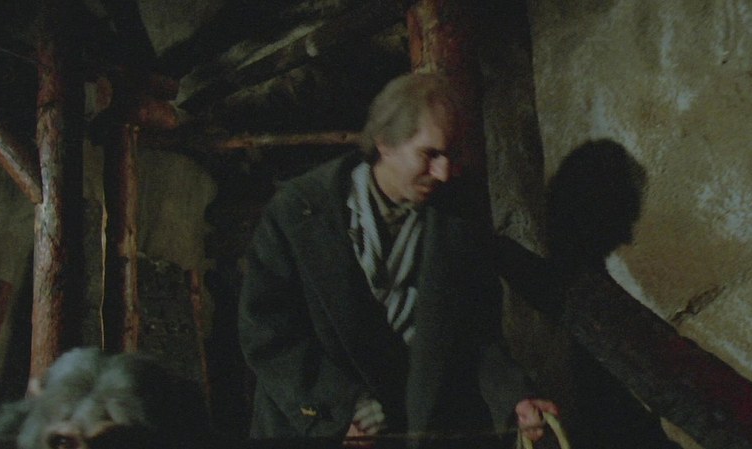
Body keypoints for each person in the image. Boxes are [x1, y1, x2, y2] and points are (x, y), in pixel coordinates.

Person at [238, 73, 558, 448]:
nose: (443, 172)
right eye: (429, 154)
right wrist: (340, 412)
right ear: (385, 144)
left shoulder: (457, 218)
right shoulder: (298, 212)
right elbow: (266, 332)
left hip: (413, 431)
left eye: (451, 155)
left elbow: (478, 337)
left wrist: (515, 398)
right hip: (315, 428)